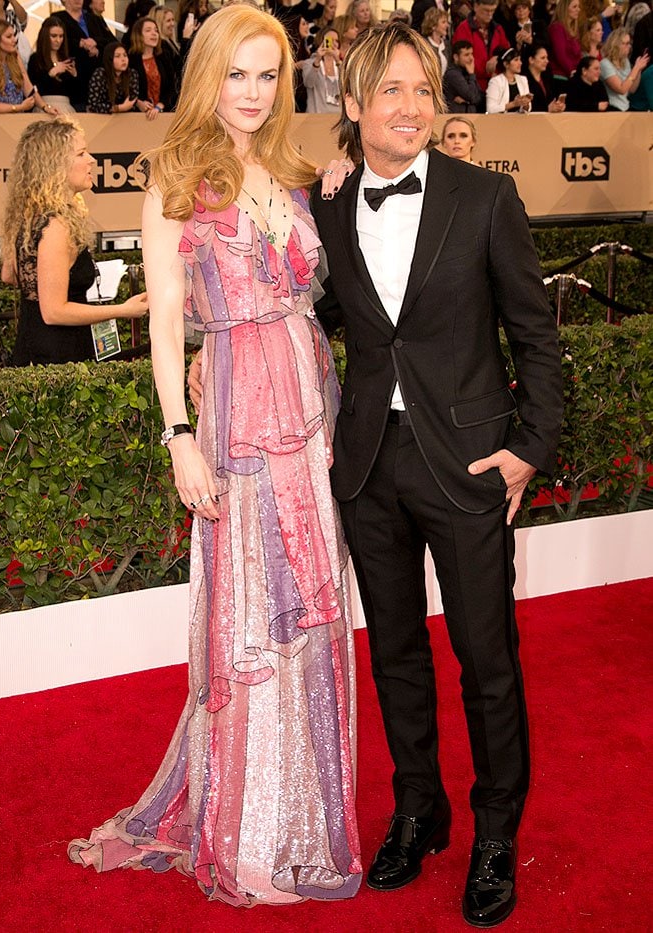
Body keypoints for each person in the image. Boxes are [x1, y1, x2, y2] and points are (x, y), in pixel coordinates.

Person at [68, 5, 361, 906]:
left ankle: (309, 818)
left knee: (314, 615)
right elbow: (163, 318)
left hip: (313, 411)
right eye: (237, 73)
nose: (253, 92)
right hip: (236, 415)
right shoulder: (176, 175)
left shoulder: (291, 167)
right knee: (249, 617)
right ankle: (249, 827)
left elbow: (325, 285)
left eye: (268, 75)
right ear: (206, 75)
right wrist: (176, 434)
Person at [310, 21, 562, 927]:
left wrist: (532, 444)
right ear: (355, 106)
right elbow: (312, 307)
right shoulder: (328, 203)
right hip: (368, 463)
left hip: (467, 463)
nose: (414, 108)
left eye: (425, 91)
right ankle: (419, 807)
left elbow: (536, 332)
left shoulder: (484, 198)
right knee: (394, 653)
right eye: (394, 93)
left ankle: (497, 828)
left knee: (486, 659)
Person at [0, 117, 148, 366]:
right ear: (55, 165)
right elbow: (54, 311)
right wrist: (123, 310)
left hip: (36, 350)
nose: (91, 159)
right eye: (81, 153)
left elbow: (9, 274)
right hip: (58, 359)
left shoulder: (31, 217)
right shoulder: (55, 225)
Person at [0, 20, 57, 114]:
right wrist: (18, 107)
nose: (14, 40)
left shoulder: (14, 56)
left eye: (13, 35)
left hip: (12, 117)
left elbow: (27, 86)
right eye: (8, 37)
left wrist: (45, 107)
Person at [87, 40, 157, 117]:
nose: (123, 59)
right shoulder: (100, 74)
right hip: (101, 119)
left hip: (125, 118)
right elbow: (93, 105)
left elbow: (132, 100)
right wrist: (119, 108)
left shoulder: (132, 74)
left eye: (125, 55)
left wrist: (140, 104)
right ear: (109, 59)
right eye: (117, 56)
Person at [454, 0, 510, 91]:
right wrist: (487, 69)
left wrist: (497, 59)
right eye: (486, 10)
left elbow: (507, 52)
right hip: (472, 87)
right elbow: (461, 59)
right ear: (475, 7)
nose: (490, 14)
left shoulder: (498, 29)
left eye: (492, 11)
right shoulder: (463, 29)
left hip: (497, 86)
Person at [27, 15, 79, 114]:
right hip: (44, 106)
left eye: (61, 36)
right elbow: (31, 89)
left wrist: (74, 75)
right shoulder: (36, 59)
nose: (58, 40)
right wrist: (51, 73)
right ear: (45, 36)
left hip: (66, 108)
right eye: (53, 36)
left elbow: (75, 94)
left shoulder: (67, 59)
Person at [128, 15, 177, 112]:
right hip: (138, 115)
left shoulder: (163, 57)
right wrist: (137, 102)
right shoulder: (131, 60)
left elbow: (172, 86)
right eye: (148, 30)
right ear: (139, 35)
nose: (154, 34)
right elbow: (125, 88)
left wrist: (160, 105)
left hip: (163, 112)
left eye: (156, 30)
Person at [600, 26, 649, 108]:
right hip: (612, 107)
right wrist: (636, 68)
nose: (629, 46)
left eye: (629, 43)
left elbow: (631, 89)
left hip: (625, 106)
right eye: (625, 43)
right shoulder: (605, 64)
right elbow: (621, 89)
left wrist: (638, 70)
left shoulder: (625, 61)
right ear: (615, 45)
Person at [301, 25, 342, 112]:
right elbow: (308, 83)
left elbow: (349, 83)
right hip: (317, 116)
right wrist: (317, 60)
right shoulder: (309, 63)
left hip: (338, 116)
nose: (334, 44)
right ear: (321, 41)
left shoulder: (340, 65)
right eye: (330, 40)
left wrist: (338, 60)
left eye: (337, 41)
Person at [443, 39, 485, 111]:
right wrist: (472, 75)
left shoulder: (467, 72)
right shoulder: (453, 74)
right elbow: (472, 96)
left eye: (472, 54)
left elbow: (480, 97)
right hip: (456, 118)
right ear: (456, 57)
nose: (471, 58)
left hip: (470, 118)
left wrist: (467, 101)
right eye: (466, 55)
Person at [486, 44, 533, 109]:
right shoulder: (495, 82)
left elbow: (528, 108)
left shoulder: (523, 79)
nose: (520, 63)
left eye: (520, 60)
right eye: (516, 60)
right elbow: (490, 108)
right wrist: (513, 104)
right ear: (506, 64)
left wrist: (525, 104)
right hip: (501, 119)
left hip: (519, 118)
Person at [523, 41, 567, 109]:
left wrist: (558, 106)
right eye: (543, 58)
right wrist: (547, 108)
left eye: (547, 58)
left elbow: (551, 100)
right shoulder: (523, 79)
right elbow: (526, 107)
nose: (547, 61)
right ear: (531, 60)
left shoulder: (547, 77)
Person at [548, 0, 583, 82]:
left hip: (574, 75)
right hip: (560, 76)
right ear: (564, 9)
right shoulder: (557, 28)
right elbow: (561, 54)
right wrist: (572, 71)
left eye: (578, 6)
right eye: (574, 7)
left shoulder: (573, 30)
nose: (578, 9)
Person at [422, 7, 450, 75]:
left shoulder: (447, 45)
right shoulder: (424, 45)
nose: (447, 25)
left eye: (447, 22)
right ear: (433, 26)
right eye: (443, 22)